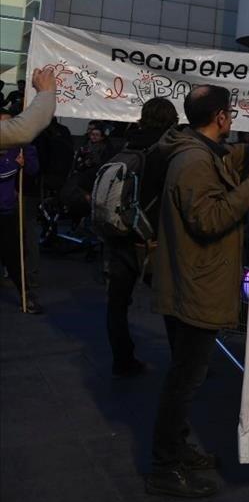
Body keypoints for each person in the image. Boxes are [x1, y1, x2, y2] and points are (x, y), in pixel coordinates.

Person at [146, 85, 249, 498]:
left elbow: (228, 159)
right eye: (230, 113)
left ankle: (176, 449)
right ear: (220, 117)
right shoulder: (194, 161)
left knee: (186, 375)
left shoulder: (201, 152)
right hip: (194, 287)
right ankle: (165, 466)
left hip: (193, 281)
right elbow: (210, 220)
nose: (231, 119)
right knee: (185, 380)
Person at [101, 98, 179, 378]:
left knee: (117, 303)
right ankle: (184, 363)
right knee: (171, 303)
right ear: (171, 120)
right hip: (150, 240)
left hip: (118, 233)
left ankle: (122, 361)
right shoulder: (166, 151)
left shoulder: (125, 144)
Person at [0, 113, 42, 314]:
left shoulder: (22, 145)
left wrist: (24, 160)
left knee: (14, 256)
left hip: (6, 210)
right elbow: (4, 172)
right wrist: (14, 164)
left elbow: (34, 169)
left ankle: (25, 294)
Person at [0, 66, 56, 150]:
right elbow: (20, 132)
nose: (20, 86)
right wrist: (46, 92)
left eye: (22, 84)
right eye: (19, 85)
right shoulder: (13, 93)